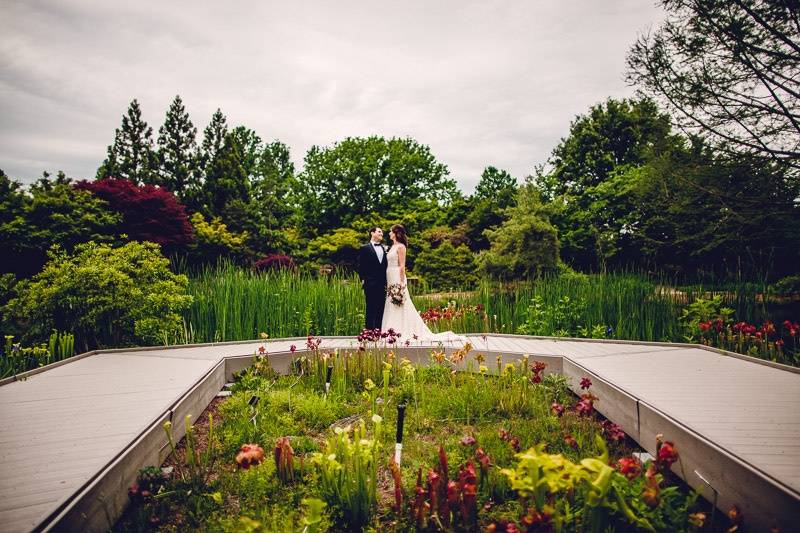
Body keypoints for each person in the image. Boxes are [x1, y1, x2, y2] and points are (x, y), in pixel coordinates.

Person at [381, 224, 467, 344]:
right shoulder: (392, 247)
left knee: (401, 303)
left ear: (396, 233)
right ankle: (390, 331)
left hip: (396, 277)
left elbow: (402, 266)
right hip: (389, 277)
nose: (389, 233)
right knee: (391, 303)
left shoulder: (401, 247)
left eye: (391, 231)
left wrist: (401, 283)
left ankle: (402, 331)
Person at [357, 226, 388, 330]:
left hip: (382, 283)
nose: (381, 234)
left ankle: (379, 332)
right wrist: (363, 279)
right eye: (379, 232)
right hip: (370, 283)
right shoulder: (365, 248)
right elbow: (360, 265)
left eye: (382, 233)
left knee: (381, 308)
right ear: (372, 233)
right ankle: (369, 332)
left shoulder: (384, 248)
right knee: (370, 307)